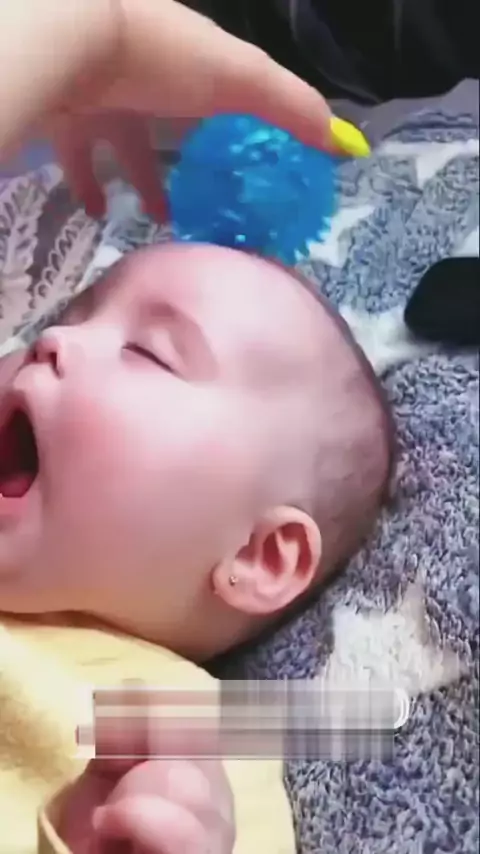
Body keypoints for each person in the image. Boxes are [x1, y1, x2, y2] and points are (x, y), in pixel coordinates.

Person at [0, 242, 394, 853]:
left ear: (259, 557)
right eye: (66, 316)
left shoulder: (199, 754)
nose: (53, 339)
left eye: (148, 353)